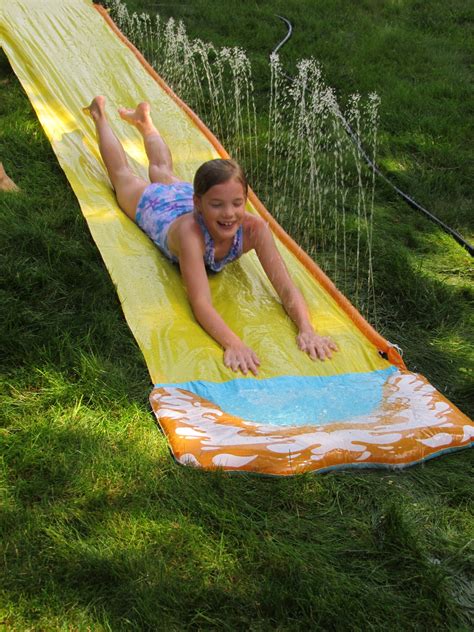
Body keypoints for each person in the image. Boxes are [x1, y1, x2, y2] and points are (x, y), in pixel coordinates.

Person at [84, 96, 337, 376]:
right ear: (200, 203)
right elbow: (201, 302)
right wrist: (234, 343)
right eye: (218, 205)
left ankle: (145, 123)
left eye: (237, 203)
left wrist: (307, 329)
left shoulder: (254, 229)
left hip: (184, 200)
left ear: (244, 200)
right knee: (123, 176)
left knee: (163, 171)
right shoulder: (191, 236)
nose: (229, 214)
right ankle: (100, 116)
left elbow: (285, 286)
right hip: (159, 209)